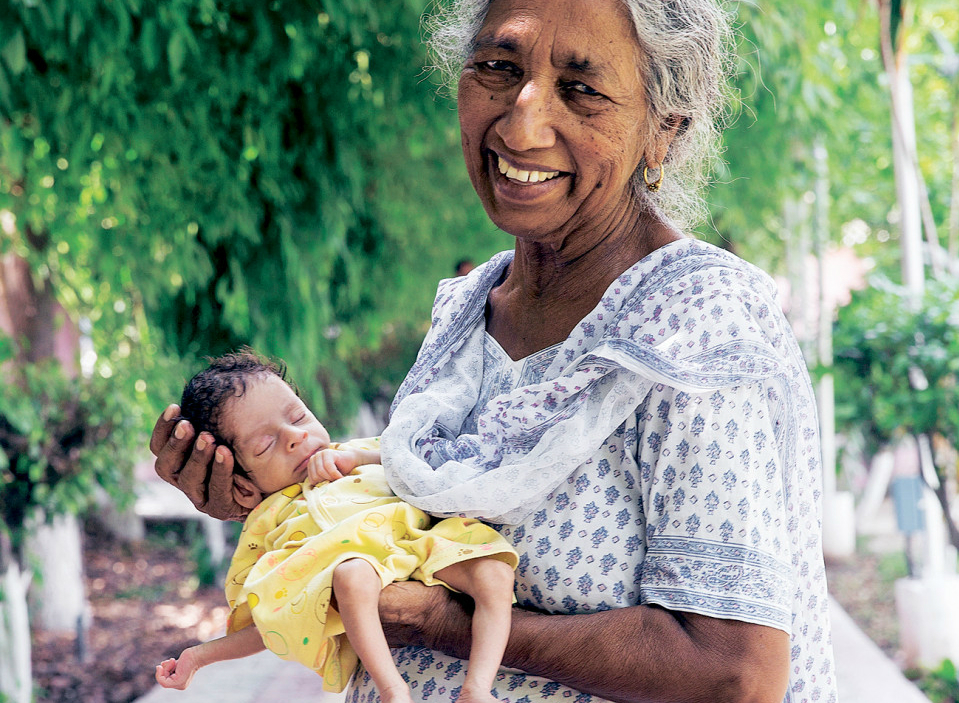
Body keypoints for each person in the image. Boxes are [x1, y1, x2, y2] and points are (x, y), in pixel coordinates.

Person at [150, 0, 838, 701]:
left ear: (662, 131)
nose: (519, 120)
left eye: (582, 89)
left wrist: (446, 624)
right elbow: (398, 522)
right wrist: (270, 491)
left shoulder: (696, 330)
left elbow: (735, 671)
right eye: (496, 68)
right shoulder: (467, 309)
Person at [153, 351, 517, 703]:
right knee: (351, 575)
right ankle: (393, 691)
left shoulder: (353, 453)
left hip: (423, 541)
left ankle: (478, 689)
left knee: (495, 573)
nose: (294, 437)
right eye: (265, 445)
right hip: (362, 570)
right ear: (246, 488)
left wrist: (359, 457)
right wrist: (198, 657)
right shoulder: (271, 519)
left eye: (297, 418)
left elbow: (414, 463)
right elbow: (271, 616)